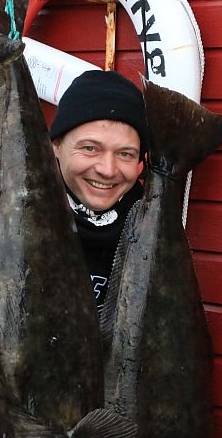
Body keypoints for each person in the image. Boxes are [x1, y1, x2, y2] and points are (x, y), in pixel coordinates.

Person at [49, 69, 148, 309]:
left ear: (140, 162)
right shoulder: (9, 214)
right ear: (56, 146)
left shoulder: (154, 231)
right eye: (90, 148)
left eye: (125, 154)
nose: (107, 169)